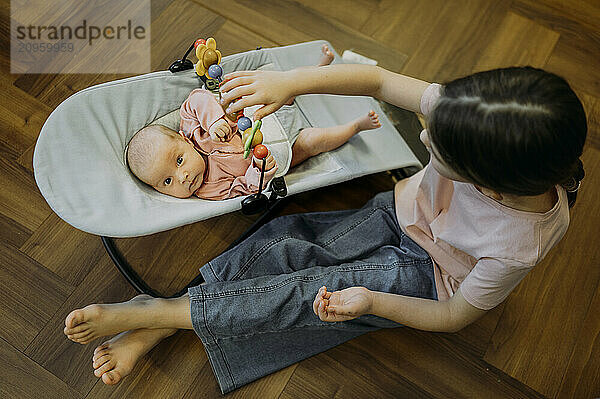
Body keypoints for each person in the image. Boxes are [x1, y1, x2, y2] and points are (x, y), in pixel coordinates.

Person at [63, 63, 587, 393]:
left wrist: (373, 302)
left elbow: (452, 316)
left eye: (439, 152)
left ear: (487, 186)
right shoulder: (472, 114)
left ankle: (162, 311)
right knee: (283, 243)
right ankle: (164, 322)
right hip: (397, 210)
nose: (425, 139)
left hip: (431, 276)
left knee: (303, 296)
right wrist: (291, 81)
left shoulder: (517, 246)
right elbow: (379, 80)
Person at [126, 45, 381, 200]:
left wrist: (213, 121)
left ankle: (318, 70)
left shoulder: (195, 131)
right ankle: (356, 127)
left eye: (179, 160)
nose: (181, 177)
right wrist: (259, 169)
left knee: (285, 93)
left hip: (262, 115)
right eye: (167, 182)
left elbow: (196, 100)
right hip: (281, 150)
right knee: (314, 142)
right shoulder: (208, 190)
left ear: (184, 141)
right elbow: (243, 188)